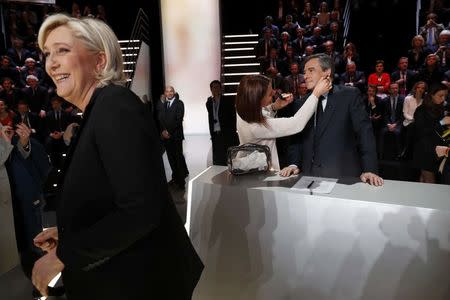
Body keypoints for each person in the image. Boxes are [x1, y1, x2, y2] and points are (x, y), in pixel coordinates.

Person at [31, 14, 203, 299]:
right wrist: (70, 233)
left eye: (62, 50)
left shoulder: (114, 106)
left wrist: (66, 253)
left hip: (138, 284)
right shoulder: (99, 111)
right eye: (47, 53)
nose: (50, 63)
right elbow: (110, 198)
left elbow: (140, 209)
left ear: (99, 61)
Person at [280, 53, 383, 186]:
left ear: (327, 72)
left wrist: (370, 169)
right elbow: (296, 140)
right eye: (304, 72)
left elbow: (365, 134)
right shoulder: (301, 103)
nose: (305, 76)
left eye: (311, 71)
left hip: (343, 177)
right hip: (308, 179)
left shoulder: (349, 95)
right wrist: (293, 163)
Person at [235, 73, 331, 171]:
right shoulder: (255, 127)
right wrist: (316, 93)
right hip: (260, 173)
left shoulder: (243, 111)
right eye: (269, 94)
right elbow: (296, 124)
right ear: (257, 99)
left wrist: (274, 107)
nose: (274, 93)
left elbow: (261, 114)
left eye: (272, 88)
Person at [411, 82, 450, 183]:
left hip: (436, 151)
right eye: (440, 95)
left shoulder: (440, 108)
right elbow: (422, 131)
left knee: (424, 180)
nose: (443, 99)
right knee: (430, 182)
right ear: (432, 94)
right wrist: (442, 122)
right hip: (424, 151)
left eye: (445, 96)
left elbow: (439, 131)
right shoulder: (421, 110)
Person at [159, 86, 189, 189]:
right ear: (165, 93)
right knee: (171, 159)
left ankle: (181, 182)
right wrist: (163, 130)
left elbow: (178, 119)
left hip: (176, 137)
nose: (169, 93)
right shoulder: (164, 104)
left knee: (178, 159)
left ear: (174, 92)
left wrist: (168, 131)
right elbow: (160, 119)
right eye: (167, 91)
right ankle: (175, 178)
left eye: (171, 91)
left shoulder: (179, 103)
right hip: (166, 137)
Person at [206, 80, 238, 166]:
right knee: (217, 159)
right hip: (215, 133)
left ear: (221, 88)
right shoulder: (209, 102)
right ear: (211, 89)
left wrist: (233, 131)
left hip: (227, 133)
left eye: (217, 87)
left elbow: (233, 117)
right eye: (213, 87)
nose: (215, 89)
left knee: (228, 158)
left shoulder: (228, 100)